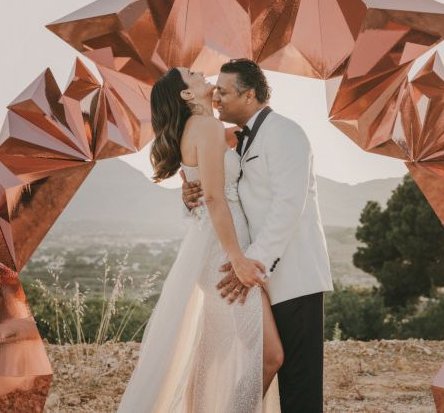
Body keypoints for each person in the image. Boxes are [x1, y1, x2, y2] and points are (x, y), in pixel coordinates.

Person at [118, 66, 283, 412]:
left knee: (213, 354)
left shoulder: (208, 130)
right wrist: (237, 258)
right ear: (187, 95)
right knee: (269, 355)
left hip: (216, 248)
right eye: (193, 74)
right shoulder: (205, 127)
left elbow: (210, 185)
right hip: (224, 254)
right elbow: (212, 198)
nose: (201, 72)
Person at [183, 59, 333, 413]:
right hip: (261, 278)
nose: (216, 98)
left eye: (223, 91)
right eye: (214, 91)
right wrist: (190, 192)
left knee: (299, 384)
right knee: (266, 370)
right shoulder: (237, 140)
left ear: (249, 95)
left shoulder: (285, 133)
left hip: (293, 275)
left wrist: (252, 264)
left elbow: (288, 205)